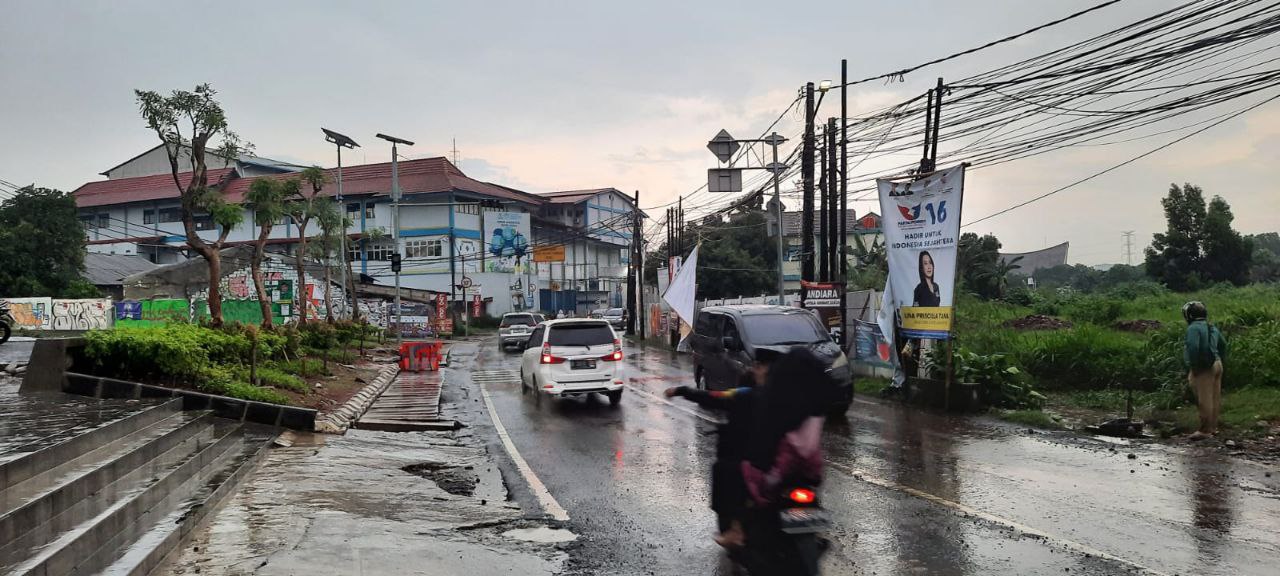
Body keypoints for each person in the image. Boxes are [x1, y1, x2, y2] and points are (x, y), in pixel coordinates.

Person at [665, 348, 780, 548]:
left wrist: (681, 391)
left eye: (759, 366)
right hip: (786, 461)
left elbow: (712, 397)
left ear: (765, 369)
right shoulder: (786, 396)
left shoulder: (745, 395)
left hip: (753, 460)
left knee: (724, 471)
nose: (755, 369)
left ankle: (736, 529)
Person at [1183, 301, 1227, 439]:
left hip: (1204, 367)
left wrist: (1194, 366)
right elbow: (1223, 344)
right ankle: (1213, 427)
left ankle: (1205, 430)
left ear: (1189, 315)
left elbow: (1193, 347)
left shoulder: (1193, 328)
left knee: (1204, 398)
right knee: (1215, 397)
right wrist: (1219, 359)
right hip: (1217, 363)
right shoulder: (1210, 326)